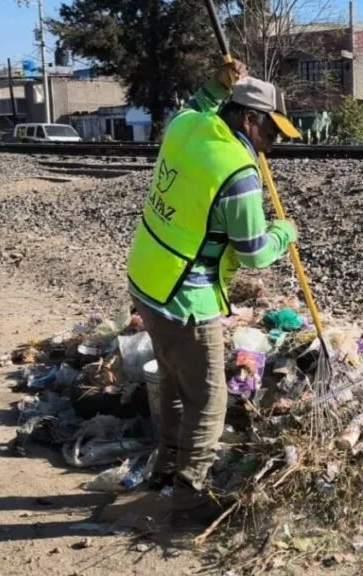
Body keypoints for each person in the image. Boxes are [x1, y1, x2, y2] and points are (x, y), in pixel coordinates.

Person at [126, 60, 302, 528]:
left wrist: (215, 82)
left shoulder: (187, 127)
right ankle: (189, 500)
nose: (275, 143)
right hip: (187, 296)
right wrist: (286, 231)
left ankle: (165, 470)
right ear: (248, 119)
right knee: (209, 400)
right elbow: (254, 254)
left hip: (146, 278)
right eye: (272, 131)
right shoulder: (238, 172)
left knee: (172, 380)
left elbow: (197, 104)